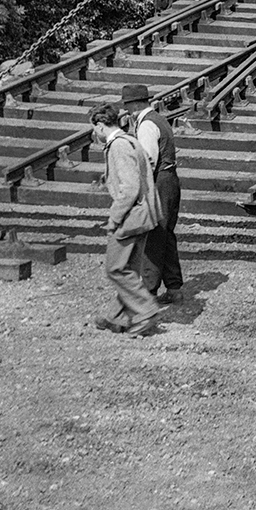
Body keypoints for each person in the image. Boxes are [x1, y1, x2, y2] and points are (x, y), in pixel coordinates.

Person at [89, 102, 163, 337]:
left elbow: (129, 189)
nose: (95, 134)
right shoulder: (130, 141)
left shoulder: (118, 147)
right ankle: (118, 317)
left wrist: (114, 218)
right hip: (144, 215)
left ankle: (146, 310)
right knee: (129, 267)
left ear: (100, 126)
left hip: (131, 217)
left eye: (94, 129)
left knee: (115, 268)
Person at [120, 82, 184, 305]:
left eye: (127, 106)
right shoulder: (158, 119)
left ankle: (148, 291)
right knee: (165, 235)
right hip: (169, 181)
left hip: (159, 182)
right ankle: (174, 287)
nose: (127, 111)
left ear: (135, 105)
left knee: (154, 235)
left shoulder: (147, 125)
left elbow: (147, 160)